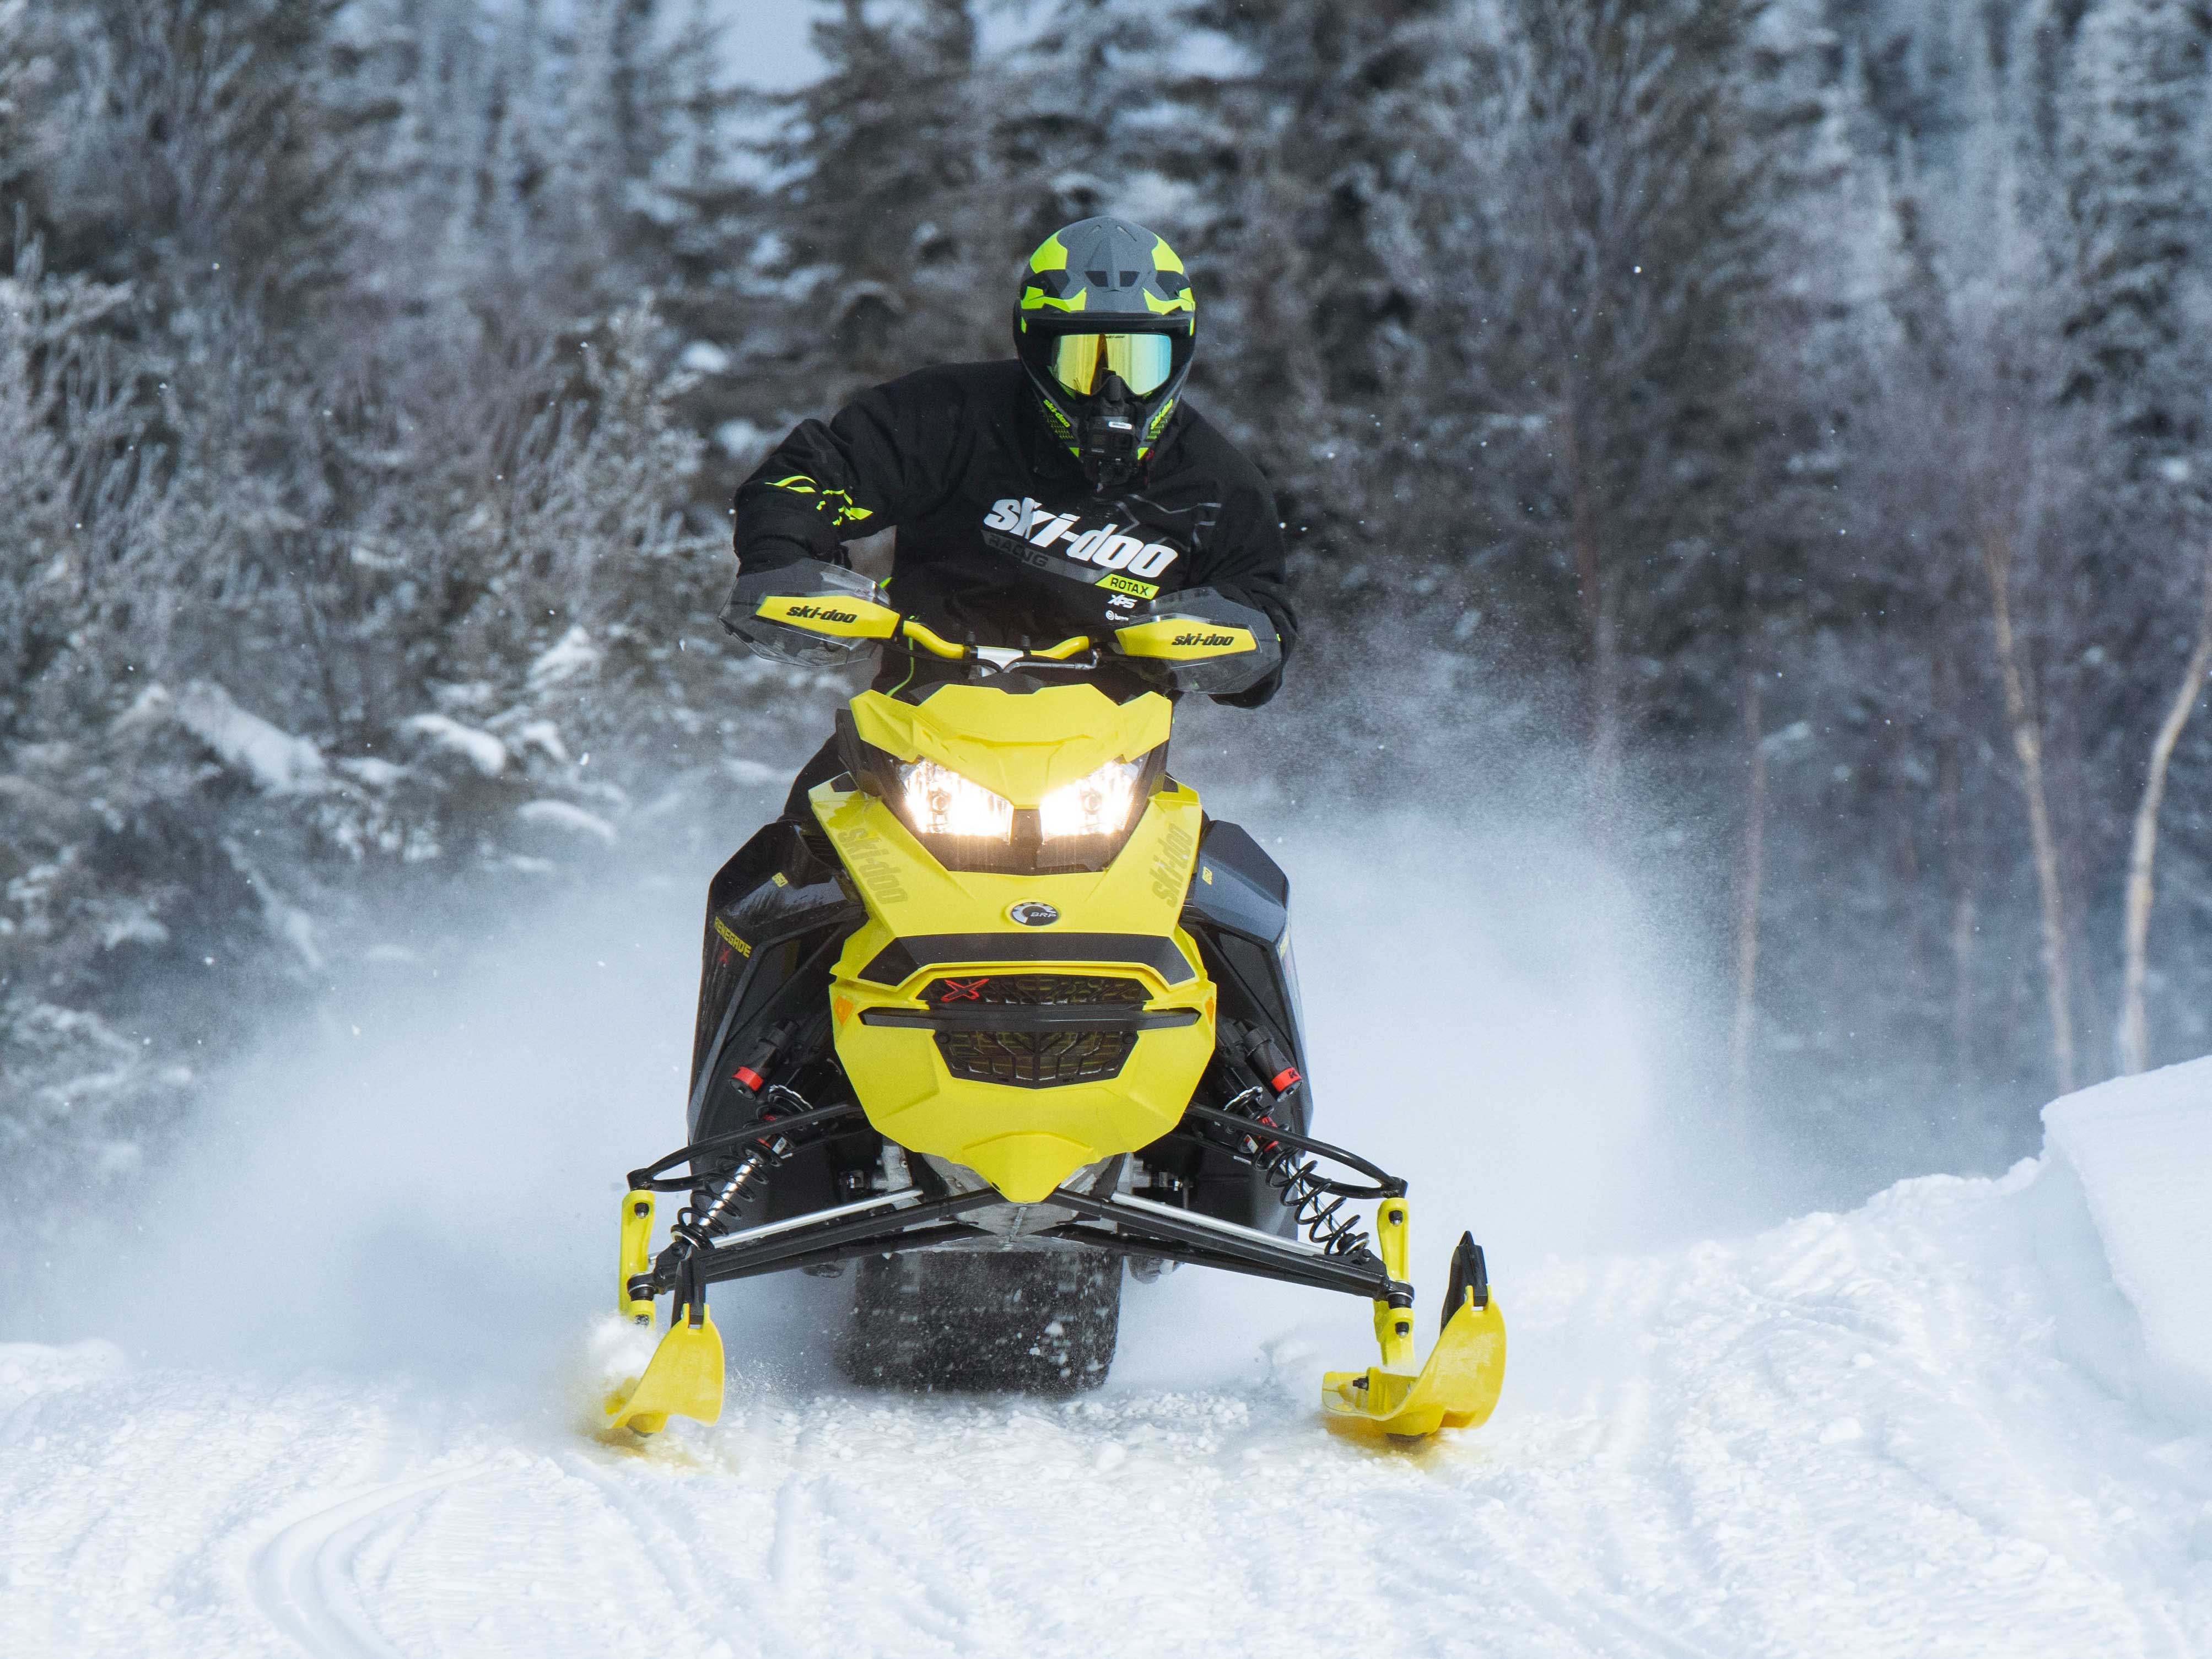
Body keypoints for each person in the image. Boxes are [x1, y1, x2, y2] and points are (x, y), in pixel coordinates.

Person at [719, 214, 1297, 817]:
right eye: (1085, 362)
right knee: (786, 864)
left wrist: (1237, 646)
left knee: (1223, 892)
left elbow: (1263, 609)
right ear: (1035, 349)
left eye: (1139, 360)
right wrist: (783, 558)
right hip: (915, 735)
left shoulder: (1215, 484)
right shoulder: (948, 416)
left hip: (1108, 768)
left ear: (1180, 354)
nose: (1113, 391)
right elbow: (812, 473)